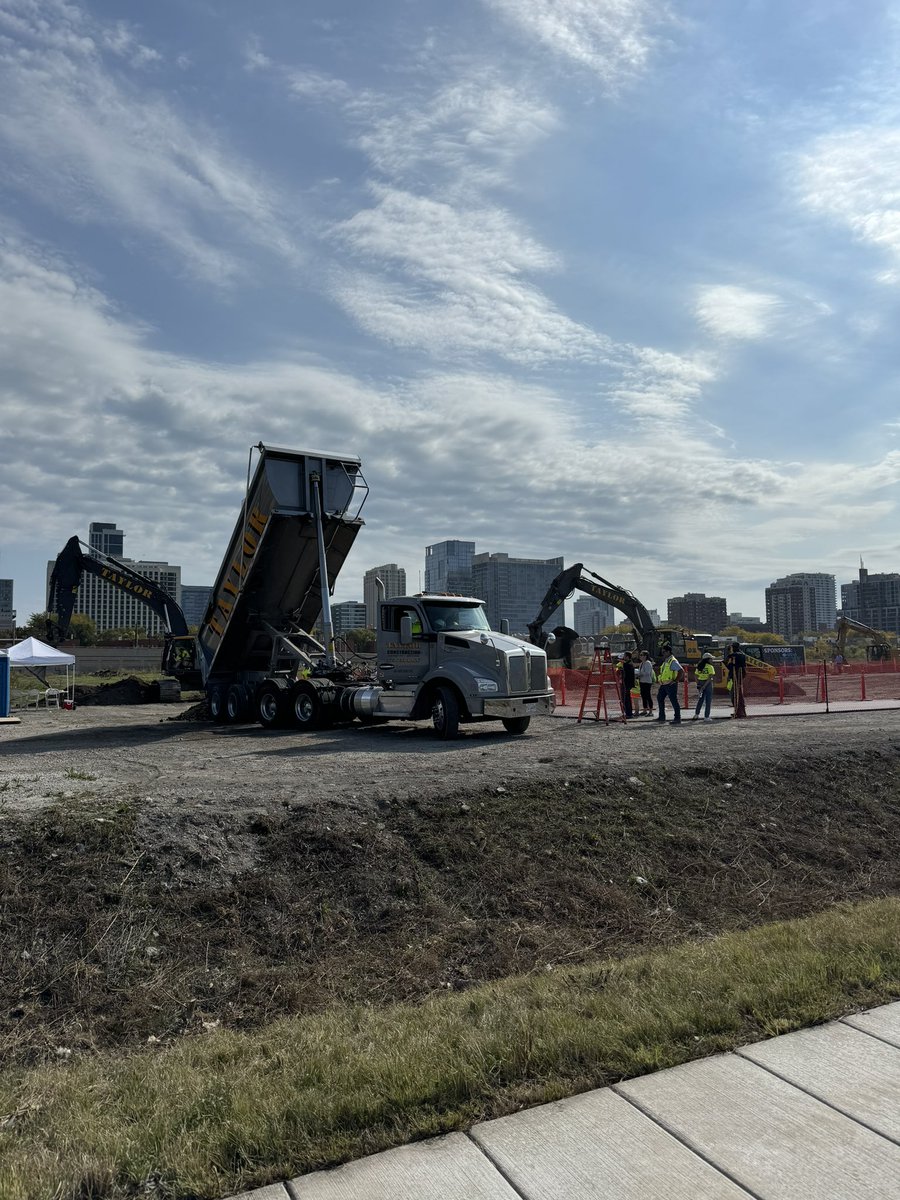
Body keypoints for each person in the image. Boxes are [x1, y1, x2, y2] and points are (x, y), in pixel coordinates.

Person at [656, 644, 684, 724]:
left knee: (674, 701)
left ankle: (677, 718)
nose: (663, 654)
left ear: (668, 652)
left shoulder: (673, 661)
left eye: (664, 652)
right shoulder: (666, 661)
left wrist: (675, 681)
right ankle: (662, 717)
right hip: (664, 684)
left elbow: (681, 671)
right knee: (660, 698)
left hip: (670, 685)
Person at [725, 641, 747, 718]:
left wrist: (729, 655)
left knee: (735, 695)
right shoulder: (742, 655)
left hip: (735, 677)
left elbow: (726, 663)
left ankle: (739, 712)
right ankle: (740, 711)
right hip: (739, 677)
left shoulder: (734, 655)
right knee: (739, 695)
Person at [692, 652, 716, 722]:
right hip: (707, 684)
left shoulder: (699, 666)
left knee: (700, 700)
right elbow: (710, 677)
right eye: (711, 659)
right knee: (708, 700)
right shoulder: (710, 667)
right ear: (708, 659)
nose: (712, 660)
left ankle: (696, 714)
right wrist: (705, 686)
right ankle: (706, 716)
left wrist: (698, 684)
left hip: (700, 682)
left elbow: (695, 676)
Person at [637, 650, 655, 715]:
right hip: (642, 681)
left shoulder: (648, 663)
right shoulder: (642, 663)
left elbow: (647, 672)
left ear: (645, 656)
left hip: (647, 682)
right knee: (643, 696)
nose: (640, 656)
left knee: (648, 696)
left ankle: (651, 711)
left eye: (642, 655)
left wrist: (640, 674)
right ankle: (645, 709)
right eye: (640, 655)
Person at [620, 651, 636, 718]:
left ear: (627, 657)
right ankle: (627, 712)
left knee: (627, 699)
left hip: (627, 684)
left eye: (624, 656)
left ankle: (629, 713)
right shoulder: (627, 664)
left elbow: (627, 674)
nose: (623, 657)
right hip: (626, 683)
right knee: (625, 698)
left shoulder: (629, 664)